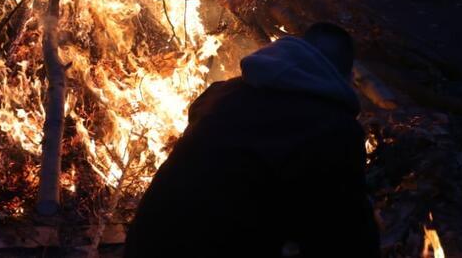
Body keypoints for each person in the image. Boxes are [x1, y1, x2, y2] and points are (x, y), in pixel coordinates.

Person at [124, 23, 379, 258]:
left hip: (142, 241)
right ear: (343, 76)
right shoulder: (334, 130)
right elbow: (348, 236)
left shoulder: (221, 91)